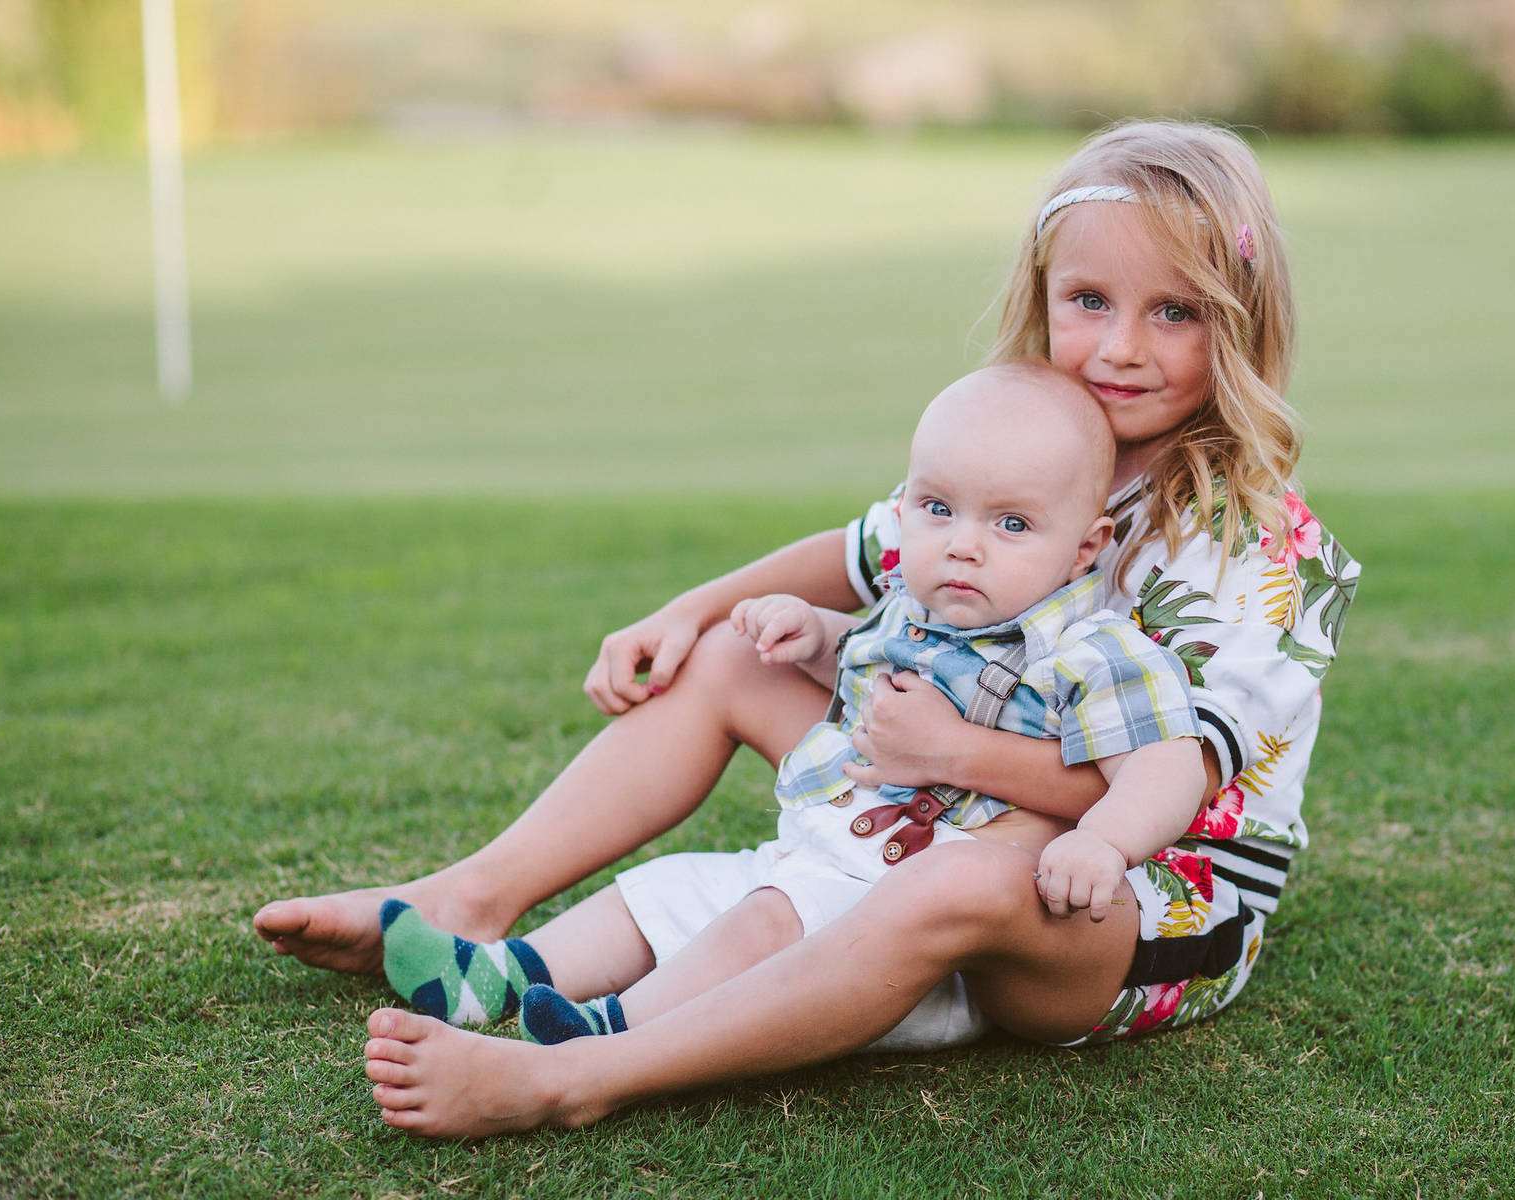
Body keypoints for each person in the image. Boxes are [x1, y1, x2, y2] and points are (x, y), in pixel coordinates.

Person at [254, 117, 1356, 1136]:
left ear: (1243, 321)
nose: (1121, 346)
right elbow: (853, 556)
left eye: (1176, 313)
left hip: (1131, 892)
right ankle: (471, 902)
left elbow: (1170, 794)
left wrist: (952, 753)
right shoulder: (1026, 446)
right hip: (946, 790)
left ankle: (580, 1075)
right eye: (1090, 302)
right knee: (741, 649)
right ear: (1044, 295)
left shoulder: (1259, 548)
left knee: (960, 878)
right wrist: (683, 615)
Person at [370, 361, 1208, 1050]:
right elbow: (868, 668)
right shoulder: (924, 609)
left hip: (909, 926)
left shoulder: (1098, 652)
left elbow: (1166, 769)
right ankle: (499, 974)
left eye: (1012, 524)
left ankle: (610, 1034)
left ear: (1085, 548)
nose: (963, 542)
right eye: (937, 509)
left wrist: (1103, 841)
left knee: (758, 927)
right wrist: (815, 636)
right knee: (667, 890)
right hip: (823, 855)